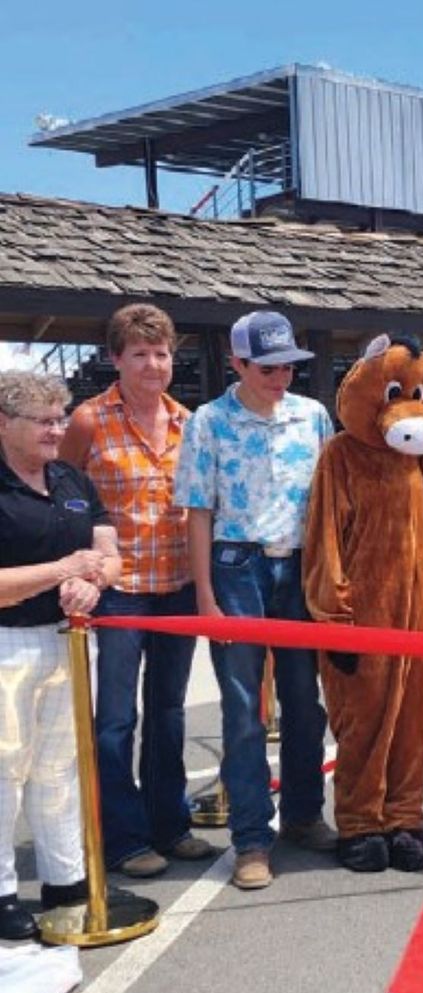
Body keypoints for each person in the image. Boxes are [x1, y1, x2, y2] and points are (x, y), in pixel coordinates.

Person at [174, 310, 337, 890]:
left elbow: (329, 498)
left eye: (288, 366)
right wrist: (207, 598)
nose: (281, 377)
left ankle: (302, 813)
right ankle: (250, 838)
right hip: (237, 563)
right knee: (243, 709)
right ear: (237, 363)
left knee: (303, 699)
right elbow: (198, 510)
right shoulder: (208, 422)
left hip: (298, 565)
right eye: (267, 367)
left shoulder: (313, 415)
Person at [59, 304, 216, 879]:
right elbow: (63, 492)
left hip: (176, 583)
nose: (153, 364)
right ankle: (122, 836)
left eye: (162, 353)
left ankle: (169, 824)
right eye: (140, 354)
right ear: (116, 359)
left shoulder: (187, 421)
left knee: (170, 712)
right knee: (116, 718)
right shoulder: (88, 422)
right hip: (119, 588)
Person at [0, 371, 121, 940]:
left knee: (60, 768)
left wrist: (94, 581)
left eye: (59, 418)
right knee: (5, 771)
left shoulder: (71, 478)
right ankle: (1, 892)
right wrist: (61, 572)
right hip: (8, 643)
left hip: (67, 640)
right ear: (5, 424)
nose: (56, 429)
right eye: (43, 421)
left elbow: (108, 550)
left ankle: (65, 878)